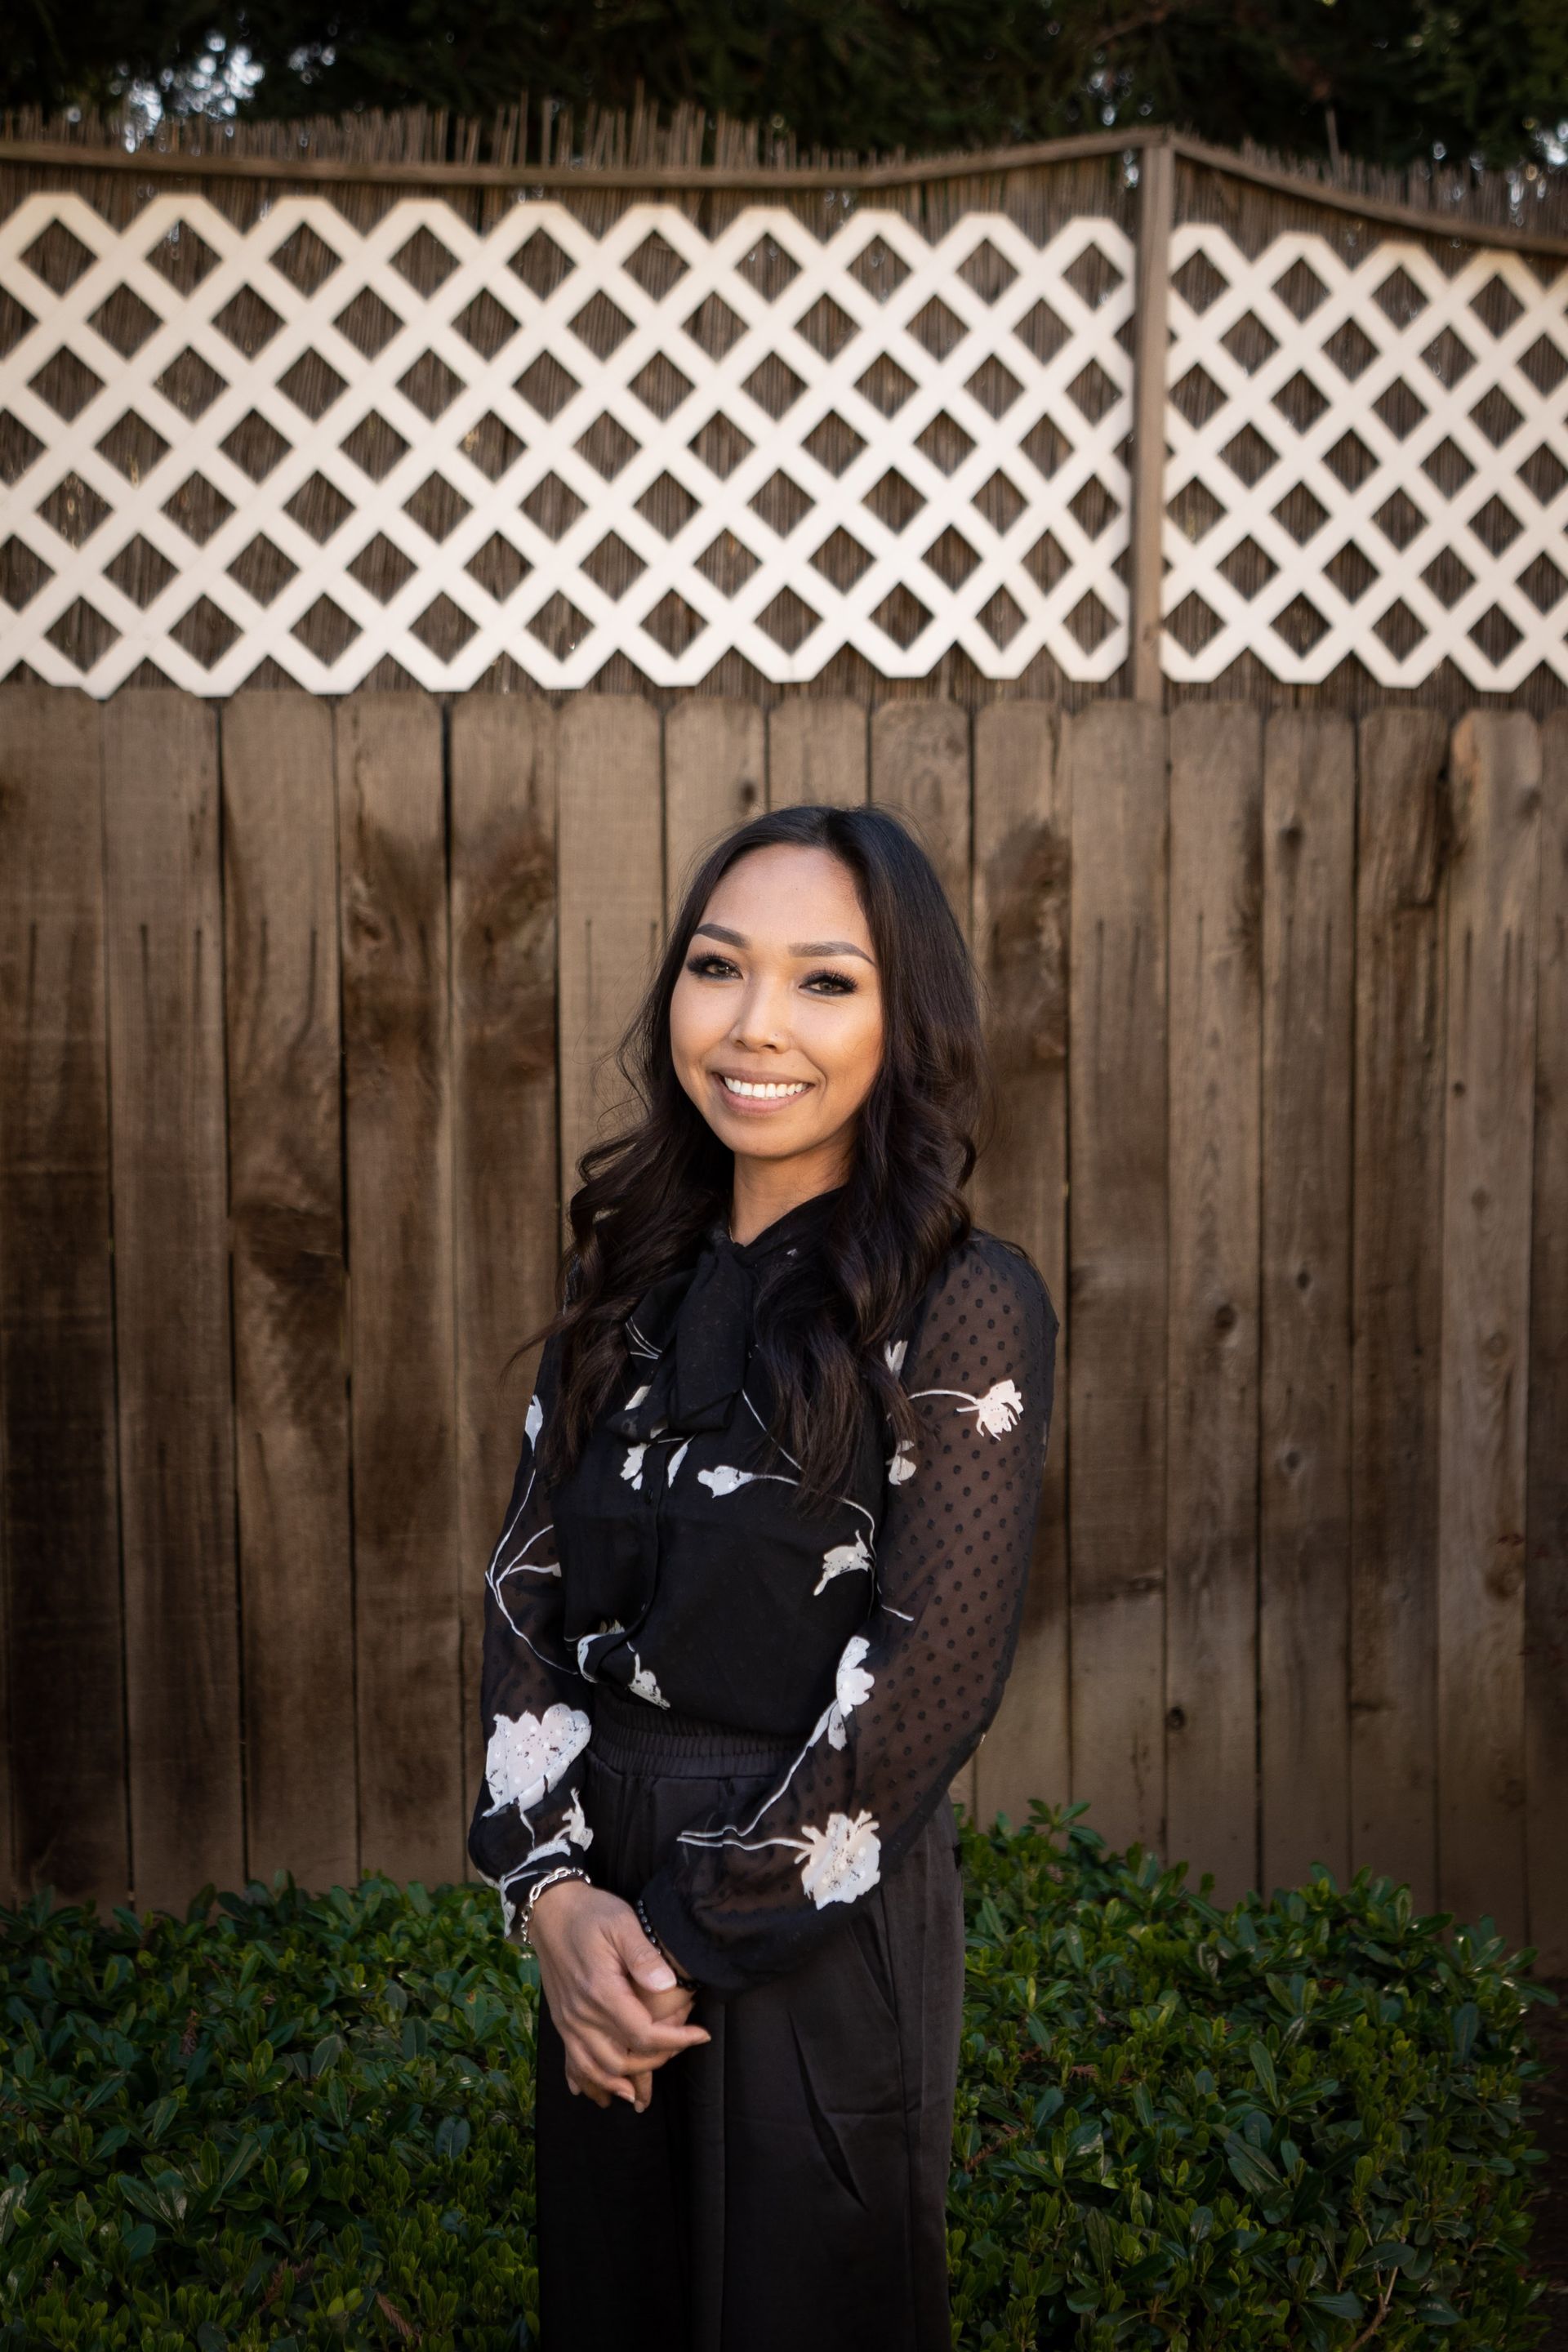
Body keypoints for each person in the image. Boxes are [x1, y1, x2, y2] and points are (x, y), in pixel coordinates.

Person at [467, 800, 1058, 2351]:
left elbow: (933, 1682)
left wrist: (675, 1934)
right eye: (720, 967)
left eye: (825, 982)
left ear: (902, 1019)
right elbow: (523, 1591)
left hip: (815, 1903)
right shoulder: (629, 1280)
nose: (755, 1025)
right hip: (604, 1915)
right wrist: (555, 1902)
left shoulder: (960, 1300)